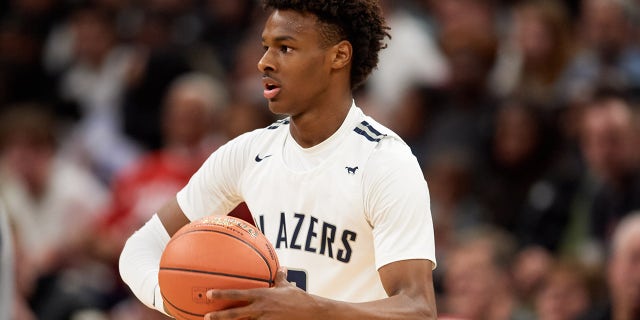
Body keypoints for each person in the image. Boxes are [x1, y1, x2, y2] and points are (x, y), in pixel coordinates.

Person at [119, 0, 437, 319]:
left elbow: (418, 309)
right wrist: (175, 301)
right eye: (266, 47)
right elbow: (139, 249)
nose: (264, 63)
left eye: (285, 48)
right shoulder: (248, 153)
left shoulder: (384, 162)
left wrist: (311, 309)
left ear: (339, 56)